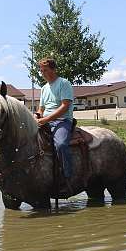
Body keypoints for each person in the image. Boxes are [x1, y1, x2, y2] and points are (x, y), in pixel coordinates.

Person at [35, 57, 74, 195]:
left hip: (62, 121)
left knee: (61, 144)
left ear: (53, 69)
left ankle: (67, 178)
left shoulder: (64, 83)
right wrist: (37, 115)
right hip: (46, 121)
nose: (43, 73)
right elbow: (41, 109)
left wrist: (45, 120)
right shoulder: (44, 88)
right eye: (41, 70)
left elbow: (65, 106)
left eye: (45, 70)